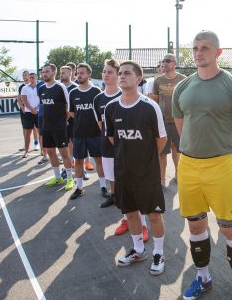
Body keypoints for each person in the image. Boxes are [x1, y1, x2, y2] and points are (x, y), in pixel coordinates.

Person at [172, 31, 232, 300]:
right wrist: (195, 152)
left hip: (222, 166)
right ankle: (203, 277)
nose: (198, 52)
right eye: (195, 48)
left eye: (205, 48)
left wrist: (229, 161)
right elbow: (182, 126)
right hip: (188, 166)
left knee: (230, 229)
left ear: (218, 53)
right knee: (195, 227)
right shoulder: (183, 87)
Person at [105, 61, 167, 275]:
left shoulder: (150, 107)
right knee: (131, 214)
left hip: (147, 174)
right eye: (120, 73)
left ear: (138, 79)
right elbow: (113, 138)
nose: (122, 76)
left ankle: (159, 253)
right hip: (123, 173)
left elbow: (161, 139)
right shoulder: (111, 108)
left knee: (154, 216)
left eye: (127, 73)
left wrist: (145, 159)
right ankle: (138, 250)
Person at [93, 59, 149, 239]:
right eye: (104, 71)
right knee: (118, 187)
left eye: (110, 72)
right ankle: (127, 219)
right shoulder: (98, 99)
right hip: (108, 149)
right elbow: (102, 126)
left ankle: (143, 224)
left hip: (128, 151)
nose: (106, 74)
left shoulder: (125, 95)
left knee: (134, 187)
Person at [68, 63, 107, 200]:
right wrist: (81, 119)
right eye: (77, 73)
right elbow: (71, 112)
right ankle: (79, 188)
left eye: (82, 73)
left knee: (99, 161)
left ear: (89, 75)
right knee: (78, 161)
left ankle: (103, 187)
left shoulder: (96, 91)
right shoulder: (73, 92)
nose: (79, 75)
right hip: (78, 133)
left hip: (95, 133)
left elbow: (101, 112)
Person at [38, 64, 75, 191]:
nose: (44, 74)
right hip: (46, 126)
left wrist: (65, 120)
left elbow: (68, 106)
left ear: (54, 73)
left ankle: (70, 178)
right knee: (50, 152)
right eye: (43, 72)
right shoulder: (41, 89)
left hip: (59, 127)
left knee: (64, 153)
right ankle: (58, 177)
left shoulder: (60, 87)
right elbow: (44, 107)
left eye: (47, 71)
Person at [151, 54, 186, 188]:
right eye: (163, 61)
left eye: (167, 61)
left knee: (178, 150)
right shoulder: (158, 80)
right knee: (162, 152)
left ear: (175, 63)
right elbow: (154, 101)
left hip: (179, 121)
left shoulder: (183, 80)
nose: (164, 63)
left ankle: (178, 174)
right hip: (162, 122)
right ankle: (162, 179)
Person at [20, 73, 41, 159]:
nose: (31, 79)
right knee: (27, 133)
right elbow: (23, 100)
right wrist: (31, 109)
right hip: (28, 112)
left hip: (39, 112)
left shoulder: (40, 87)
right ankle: (26, 151)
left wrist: (36, 108)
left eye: (33, 77)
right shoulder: (24, 88)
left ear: (36, 78)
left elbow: (41, 99)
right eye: (30, 77)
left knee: (40, 132)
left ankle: (43, 151)